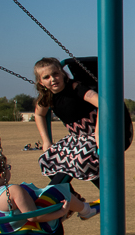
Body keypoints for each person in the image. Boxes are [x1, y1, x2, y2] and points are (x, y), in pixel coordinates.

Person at [0, 155, 97, 235]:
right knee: (57, 190)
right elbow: (34, 217)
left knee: (27, 190)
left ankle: (82, 209)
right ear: (2, 174)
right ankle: (86, 210)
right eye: (8, 168)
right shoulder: (12, 190)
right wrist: (62, 212)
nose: (9, 170)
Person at [33, 57, 100, 190]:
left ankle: (106, 192)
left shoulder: (75, 88)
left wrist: (98, 133)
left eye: (55, 74)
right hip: (76, 136)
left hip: (94, 132)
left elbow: (101, 103)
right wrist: (46, 141)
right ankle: (69, 194)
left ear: (63, 74)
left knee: (82, 160)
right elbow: (39, 114)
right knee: (46, 160)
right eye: (46, 77)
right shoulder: (47, 96)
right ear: (41, 82)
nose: (53, 79)